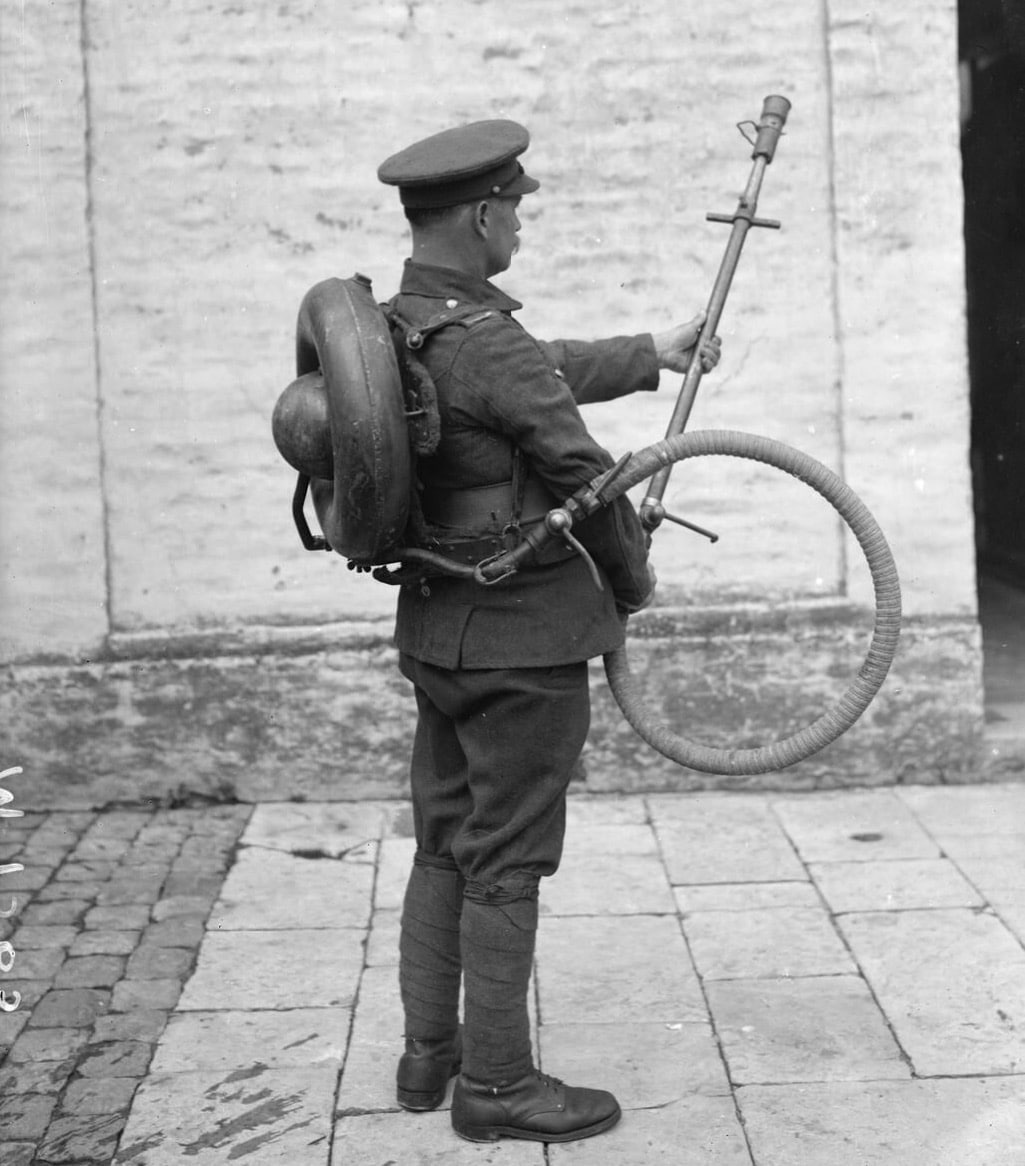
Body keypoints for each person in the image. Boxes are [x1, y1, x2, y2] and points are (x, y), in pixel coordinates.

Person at [376, 118, 720, 1145]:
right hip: (522, 643)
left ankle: (426, 1056)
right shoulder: (484, 339)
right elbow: (586, 473)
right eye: (515, 207)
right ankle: (497, 1083)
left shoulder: (403, 323)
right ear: (483, 215)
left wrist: (648, 354)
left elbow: (524, 371)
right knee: (509, 855)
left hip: (438, 628)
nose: (518, 221)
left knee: (443, 840)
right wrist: (632, 573)